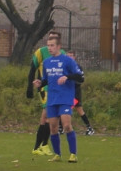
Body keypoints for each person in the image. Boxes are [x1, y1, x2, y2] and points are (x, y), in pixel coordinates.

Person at [34, 33, 84, 162]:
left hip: (65, 98)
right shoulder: (46, 62)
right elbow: (46, 79)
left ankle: (73, 154)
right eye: (48, 46)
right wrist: (40, 83)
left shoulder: (68, 61)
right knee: (53, 128)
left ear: (58, 46)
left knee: (67, 126)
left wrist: (67, 77)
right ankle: (57, 155)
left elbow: (80, 78)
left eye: (52, 45)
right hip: (52, 99)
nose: (49, 48)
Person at [26, 31, 60, 155]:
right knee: (49, 116)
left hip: (56, 90)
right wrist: (29, 88)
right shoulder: (41, 52)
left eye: (54, 39)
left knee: (46, 118)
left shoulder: (62, 54)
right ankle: (41, 145)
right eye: (50, 38)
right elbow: (32, 70)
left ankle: (39, 146)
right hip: (44, 89)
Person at [65, 50, 96, 135]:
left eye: (71, 56)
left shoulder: (77, 67)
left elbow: (81, 80)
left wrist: (72, 80)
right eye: (68, 56)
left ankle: (89, 128)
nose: (69, 57)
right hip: (67, 91)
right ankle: (61, 128)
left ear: (74, 57)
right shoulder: (64, 67)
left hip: (75, 92)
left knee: (76, 109)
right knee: (65, 109)